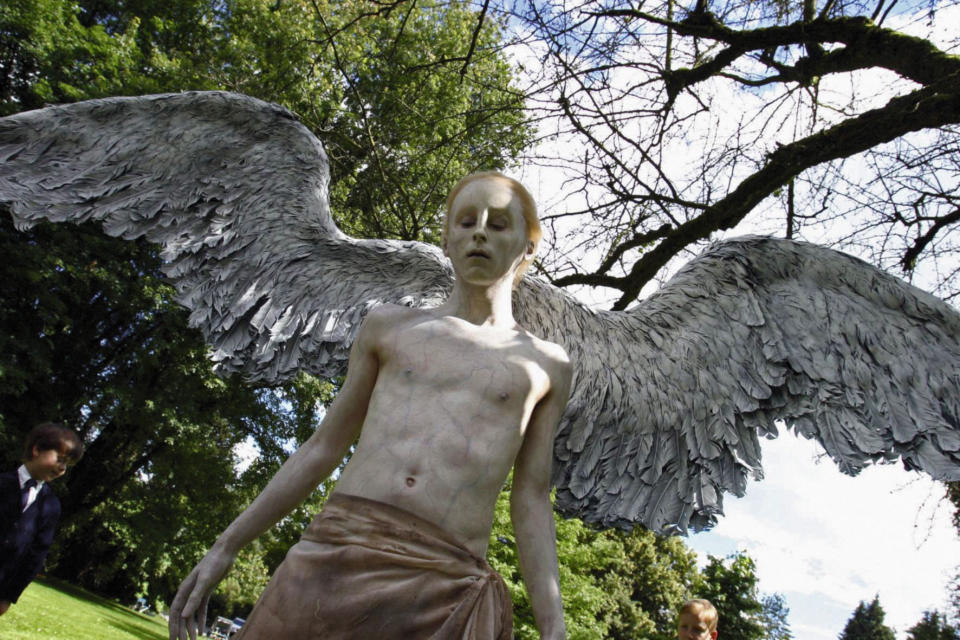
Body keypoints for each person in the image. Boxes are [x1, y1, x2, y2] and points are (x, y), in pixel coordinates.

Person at [170, 171, 572, 640]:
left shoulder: (545, 365)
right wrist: (228, 544)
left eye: (499, 224)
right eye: (466, 221)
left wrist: (554, 627)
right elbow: (323, 446)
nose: (479, 231)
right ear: (446, 239)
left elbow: (530, 499)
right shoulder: (389, 328)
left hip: (440, 587)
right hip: (335, 554)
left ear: (528, 246)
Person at [0, 422, 84, 616]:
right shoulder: (3, 483)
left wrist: (9, 596)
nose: (62, 468)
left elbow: (36, 554)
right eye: (60, 459)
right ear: (37, 449)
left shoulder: (51, 505)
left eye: (67, 465)